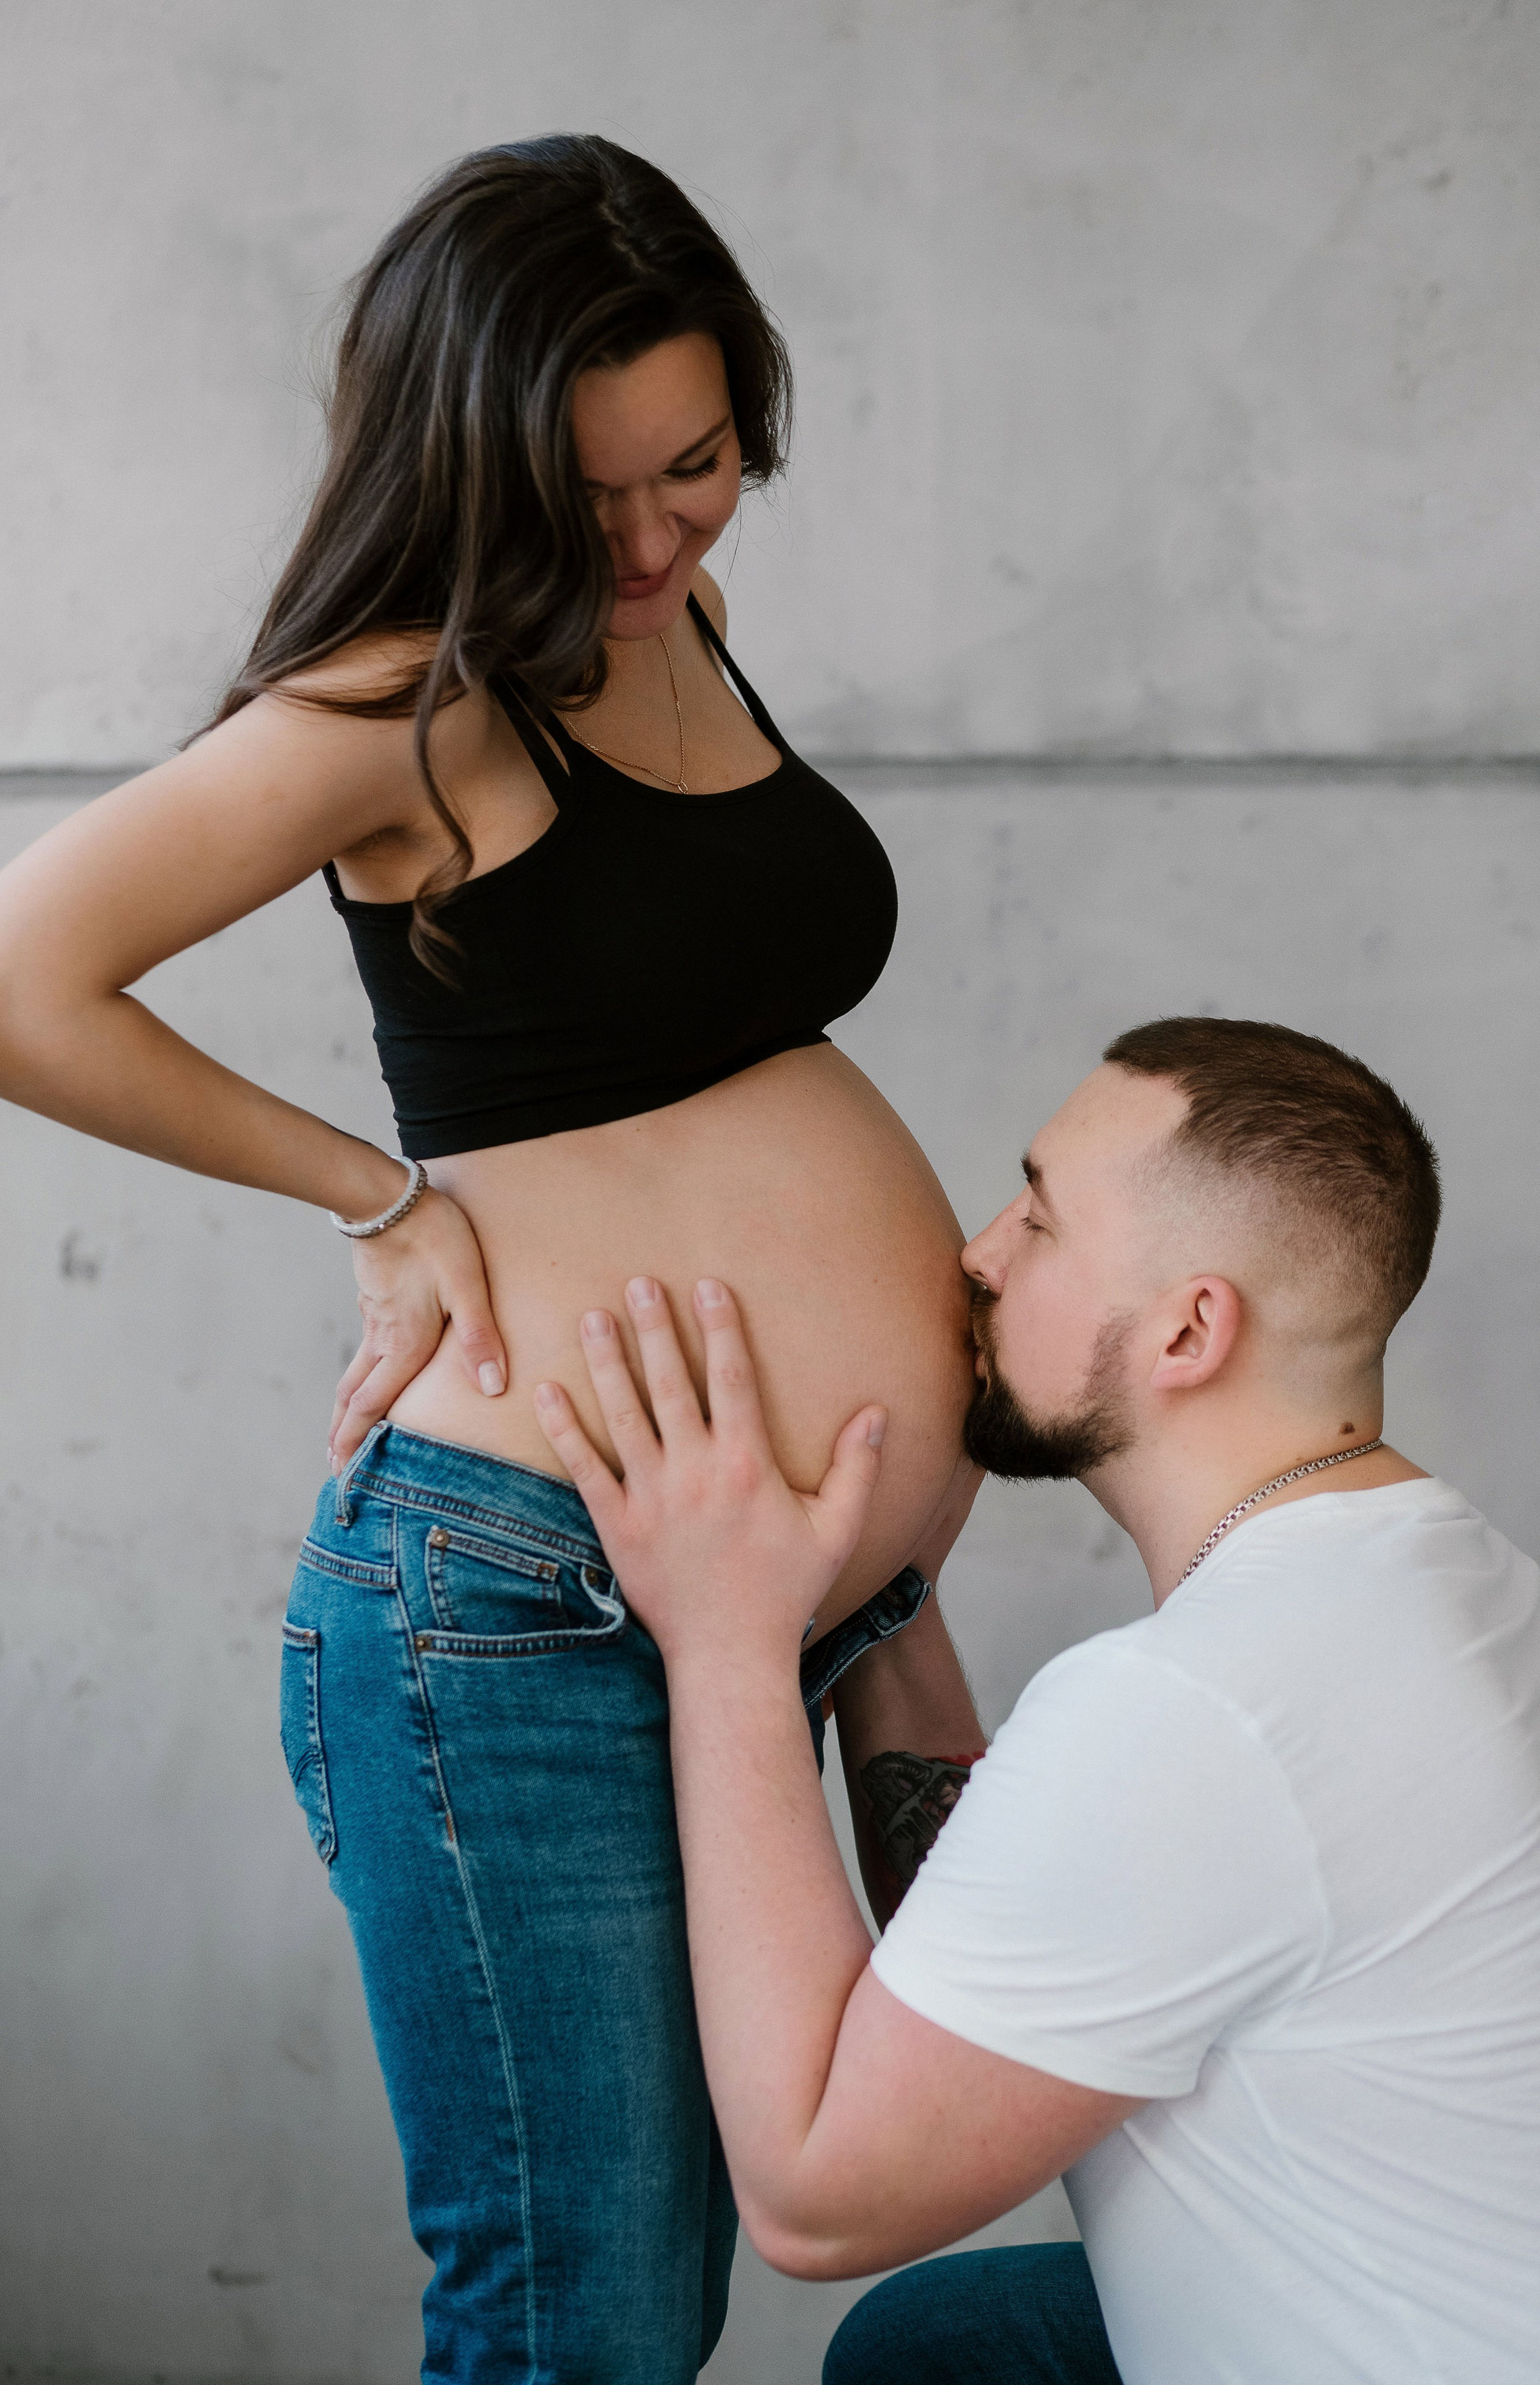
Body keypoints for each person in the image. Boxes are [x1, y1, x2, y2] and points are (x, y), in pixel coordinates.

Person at [0, 137, 987, 2380]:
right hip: (519, 1608)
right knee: (583, 2321)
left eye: (697, 468)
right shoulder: (401, 704)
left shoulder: (679, 618)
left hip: (759, 1600)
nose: (649, 542)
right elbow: (21, 978)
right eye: (585, 494)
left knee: (673, 2294)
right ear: (467, 460)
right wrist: (381, 1198)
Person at [535, 1015, 1540, 2385]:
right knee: (937, 2345)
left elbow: (817, 2197)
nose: (979, 1253)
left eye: (1038, 1218)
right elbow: (1000, 1958)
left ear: (1188, 1330)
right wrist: (888, 1593)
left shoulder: (1193, 1708)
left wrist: (728, 1638)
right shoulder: (1451, 1576)